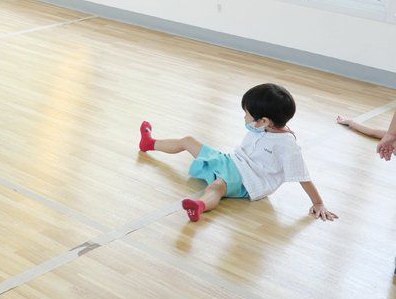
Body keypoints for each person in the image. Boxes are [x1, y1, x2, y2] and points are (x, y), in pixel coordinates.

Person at [139, 83, 337, 223]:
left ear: (264, 121)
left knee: (217, 186)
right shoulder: (264, 128)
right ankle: (149, 143)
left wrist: (318, 203)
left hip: (247, 180)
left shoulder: (287, 144)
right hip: (231, 162)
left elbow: (302, 175)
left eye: (247, 114)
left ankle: (199, 206)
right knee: (188, 141)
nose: (244, 117)